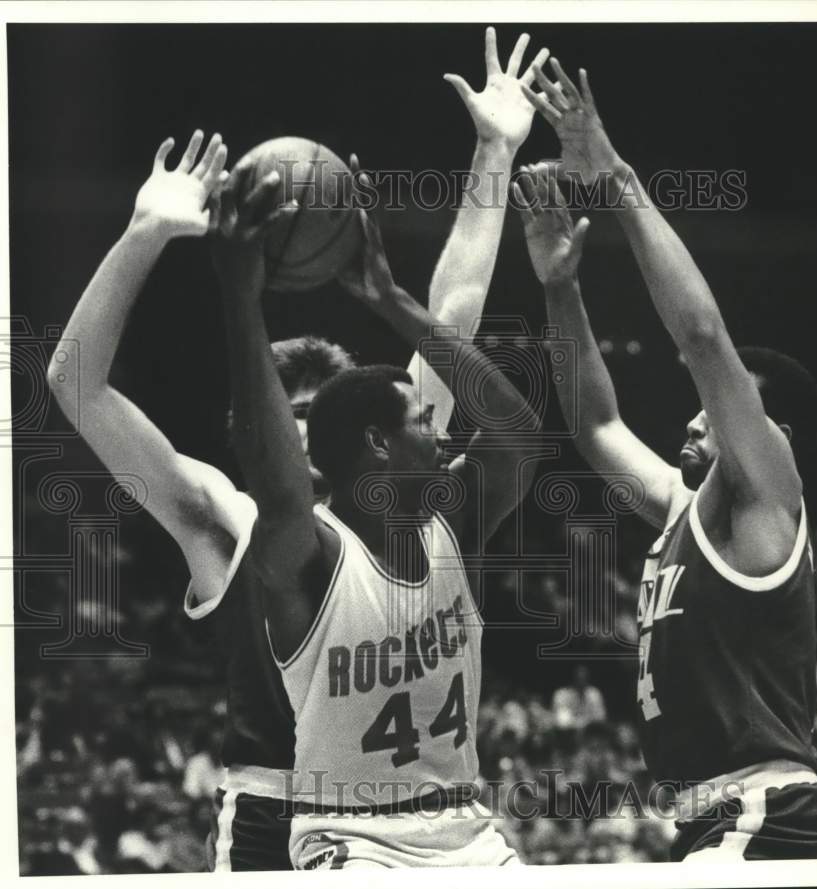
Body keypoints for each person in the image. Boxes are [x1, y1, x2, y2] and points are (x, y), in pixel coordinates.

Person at [47, 25, 545, 869]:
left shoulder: (405, 494)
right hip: (275, 818)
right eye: (288, 416)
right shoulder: (223, 512)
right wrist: (144, 234)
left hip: (424, 812)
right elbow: (74, 384)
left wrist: (493, 150)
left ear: (369, 438)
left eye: (318, 415)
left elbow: (454, 304)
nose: (302, 434)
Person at [516, 59, 817, 860]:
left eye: (729, 402)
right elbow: (595, 426)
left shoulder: (768, 495)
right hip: (714, 821)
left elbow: (701, 338)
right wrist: (561, 288)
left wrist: (617, 176)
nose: (701, 410)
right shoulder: (685, 508)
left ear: (777, 437)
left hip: (764, 816)